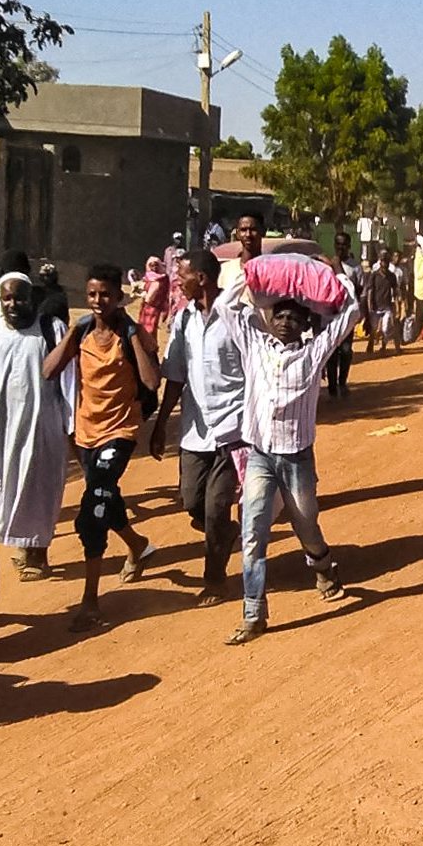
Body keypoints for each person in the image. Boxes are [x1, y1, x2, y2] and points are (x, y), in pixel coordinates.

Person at [213, 276, 361, 643]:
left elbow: (352, 311)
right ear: (269, 318)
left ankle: (323, 565)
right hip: (260, 456)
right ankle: (253, 612)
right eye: (279, 316)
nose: (285, 323)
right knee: (253, 533)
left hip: (297, 458)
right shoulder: (253, 344)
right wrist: (248, 275)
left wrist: (333, 278)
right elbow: (224, 306)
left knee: (306, 524)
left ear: (305, 325)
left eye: (294, 319)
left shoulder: (315, 351)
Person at [42, 264, 160, 630]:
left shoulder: (130, 333)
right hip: (85, 434)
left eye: (105, 295)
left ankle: (90, 601)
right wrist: (73, 335)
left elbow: (151, 381)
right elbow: (48, 371)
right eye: (92, 294)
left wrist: (133, 334)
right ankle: (138, 544)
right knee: (105, 495)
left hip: (120, 432)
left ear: (119, 297)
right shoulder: (82, 333)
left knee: (92, 509)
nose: (98, 301)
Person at [150, 250, 244, 606]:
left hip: (232, 428)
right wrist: (160, 425)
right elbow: (175, 377)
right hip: (194, 431)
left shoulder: (236, 317)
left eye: (182, 276)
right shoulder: (182, 321)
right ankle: (223, 534)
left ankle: (214, 578)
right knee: (192, 501)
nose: (177, 281)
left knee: (216, 507)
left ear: (201, 278)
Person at [0, 273, 67, 582]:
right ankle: (25, 545)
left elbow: (69, 380)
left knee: (38, 488)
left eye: (19, 298)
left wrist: (69, 424)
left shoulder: (51, 330)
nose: (13, 305)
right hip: (1, 429)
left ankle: (38, 554)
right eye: (7, 299)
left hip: (42, 426)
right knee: (3, 485)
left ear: (32, 299)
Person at [326, 231, 364, 396]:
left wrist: (361, 313)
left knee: (346, 351)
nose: (341, 248)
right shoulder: (327, 265)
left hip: (347, 315)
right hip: (330, 316)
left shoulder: (355, 267)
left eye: (344, 245)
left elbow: (360, 290)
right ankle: (332, 387)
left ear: (349, 246)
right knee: (332, 352)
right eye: (338, 244)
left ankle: (343, 383)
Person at [363, 248, 403, 355]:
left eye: (386, 261)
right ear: (380, 262)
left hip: (387, 306)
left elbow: (395, 291)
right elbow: (370, 290)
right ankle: (370, 344)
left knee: (386, 329)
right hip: (375, 306)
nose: (384, 263)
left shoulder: (392, 276)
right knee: (374, 328)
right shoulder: (374, 275)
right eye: (383, 261)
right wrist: (369, 304)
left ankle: (383, 346)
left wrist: (398, 307)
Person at [217, 212, 265, 290]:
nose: (248, 234)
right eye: (243, 230)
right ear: (238, 233)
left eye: (253, 230)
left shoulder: (271, 269)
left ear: (263, 231)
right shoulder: (225, 270)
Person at [138, 256, 169, 336]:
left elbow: (160, 293)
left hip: (153, 307)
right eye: (151, 265)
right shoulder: (148, 277)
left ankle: (150, 346)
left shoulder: (162, 278)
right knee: (142, 327)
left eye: (156, 265)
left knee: (150, 329)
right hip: (145, 306)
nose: (154, 268)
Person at [37, 261, 70, 325]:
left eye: (48, 275)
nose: (45, 278)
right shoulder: (39, 292)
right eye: (42, 276)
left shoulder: (60, 293)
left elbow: (64, 315)